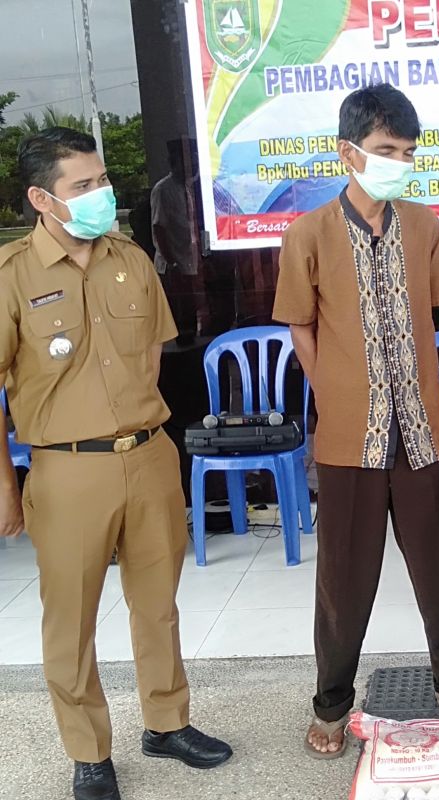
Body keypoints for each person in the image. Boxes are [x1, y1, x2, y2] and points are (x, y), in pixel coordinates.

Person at [0, 127, 232, 800]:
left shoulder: (130, 259)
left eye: (103, 180)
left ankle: (166, 723)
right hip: (68, 469)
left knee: (156, 606)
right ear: (43, 198)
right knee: (69, 620)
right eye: (84, 185)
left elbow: (152, 364)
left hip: (150, 455)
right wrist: (8, 494)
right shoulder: (13, 277)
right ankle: (88, 754)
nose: (103, 194)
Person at [272, 85, 439, 759]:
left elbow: (433, 315)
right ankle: (331, 706)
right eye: (386, 150)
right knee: (343, 582)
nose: (399, 162)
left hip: (422, 431)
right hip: (347, 438)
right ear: (348, 152)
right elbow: (301, 325)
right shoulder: (306, 234)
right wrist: (334, 391)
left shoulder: (424, 226)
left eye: (408, 152)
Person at [150, 139, 200, 343]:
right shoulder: (163, 189)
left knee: (192, 312)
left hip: (191, 261)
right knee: (177, 317)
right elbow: (159, 227)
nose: (193, 166)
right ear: (175, 162)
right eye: (189, 162)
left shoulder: (189, 187)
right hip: (174, 264)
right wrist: (172, 264)